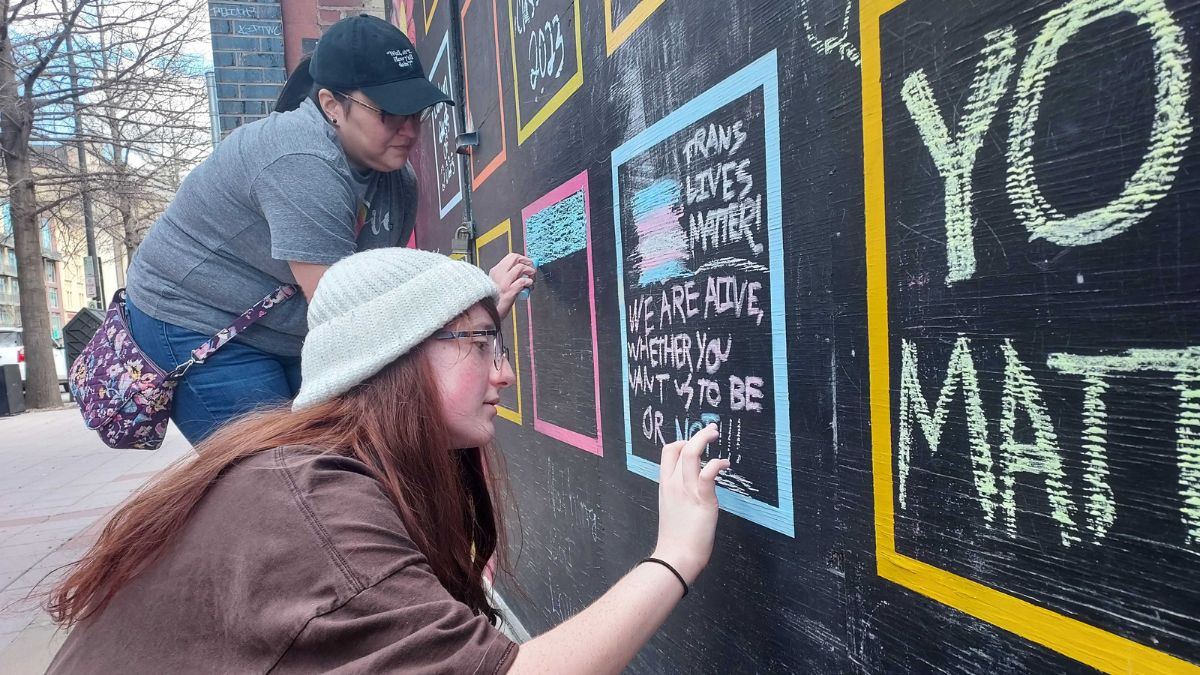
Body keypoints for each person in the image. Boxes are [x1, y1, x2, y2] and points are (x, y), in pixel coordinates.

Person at [46, 249, 729, 673]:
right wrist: (674, 556)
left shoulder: (311, 470)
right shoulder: (312, 506)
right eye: (483, 343)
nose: (506, 373)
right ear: (395, 357)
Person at [122, 14, 533, 445]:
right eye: (390, 112)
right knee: (277, 468)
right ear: (333, 105)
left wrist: (472, 316)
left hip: (285, 327)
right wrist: (475, 314)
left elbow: (383, 300)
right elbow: (348, 321)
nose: (409, 129)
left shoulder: (397, 183)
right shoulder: (300, 160)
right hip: (196, 323)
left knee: (342, 448)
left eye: (417, 110)